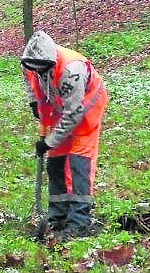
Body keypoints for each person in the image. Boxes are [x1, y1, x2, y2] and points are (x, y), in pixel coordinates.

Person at [21, 30, 109, 241]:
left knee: (79, 162)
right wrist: (34, 101)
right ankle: (58, 215)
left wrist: (49, 141)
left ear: (51, 62)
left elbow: (73, 116)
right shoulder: (30, 62)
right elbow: (29, 80)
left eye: (43, 69)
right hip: (59, 104)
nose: (38, 71)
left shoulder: (72, 70)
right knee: (56, 161)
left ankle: (79, 221)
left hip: (85, 107)